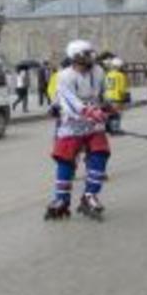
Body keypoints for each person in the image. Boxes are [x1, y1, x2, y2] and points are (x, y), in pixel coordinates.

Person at [45, 39, 110, 221]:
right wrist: (89, 111)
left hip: (94, 124)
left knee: (100, 155)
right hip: (72, 125)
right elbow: (71, 102)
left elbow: (103, 94)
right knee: (65, 161)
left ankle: (90, 196)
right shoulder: (64, 76)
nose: (92, 56)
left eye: (91, 53)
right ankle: (61, 200)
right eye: (87, 53)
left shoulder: (98, 72)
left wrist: (108, 107)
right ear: (76, 56)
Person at [103, 57, 130, 135]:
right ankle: (115, 130)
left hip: (107, 96)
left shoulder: (108, 74)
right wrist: (126, 99)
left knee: (109, 114)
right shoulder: (120, 75)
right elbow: (123, 89)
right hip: (117, 97)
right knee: (116, 114)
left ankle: (108, 128)